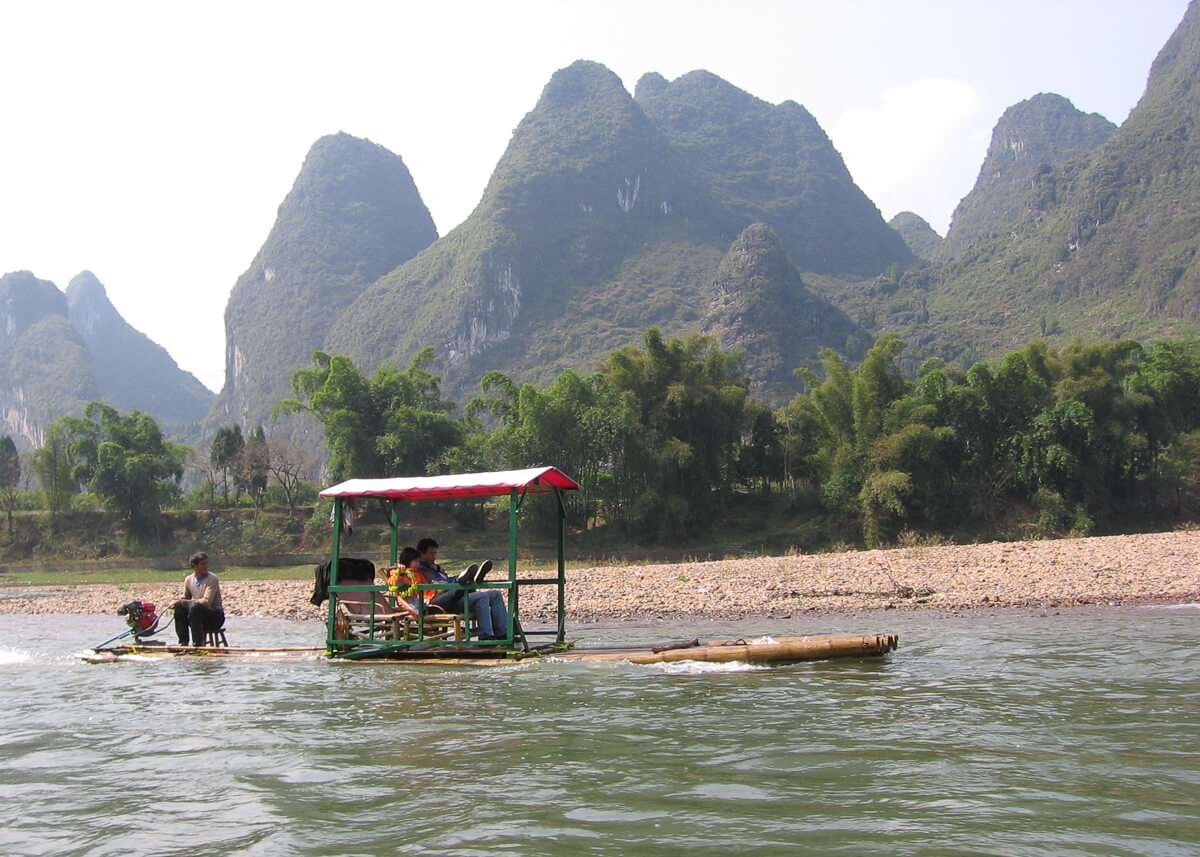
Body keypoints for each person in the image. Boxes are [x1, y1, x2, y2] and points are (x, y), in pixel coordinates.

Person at [414, 537, 510, 641]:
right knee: (480, 596)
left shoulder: (436, 568)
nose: (434, 556)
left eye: (435, 553)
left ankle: (503, 633)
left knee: (495, 594)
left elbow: (447, 579)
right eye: (431, 553)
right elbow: (435, 586)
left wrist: (452, 579)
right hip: (440, 603)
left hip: (454, 597)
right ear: (421, 554)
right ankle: (486, 636)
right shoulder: (419, 571)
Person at [171, 551, 225, 646]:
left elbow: (206, 602)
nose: (206, 566)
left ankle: (198, 644)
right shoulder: (188, 579)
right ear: (194, 565)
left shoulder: (212, 579)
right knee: (179, 609)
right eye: (203, 564)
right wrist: (176, 602)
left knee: (195, 607)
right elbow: (185, 598)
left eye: (207, 563)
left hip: (214, 617)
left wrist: (183, 602)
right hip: (196, 617)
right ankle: (183, 643)